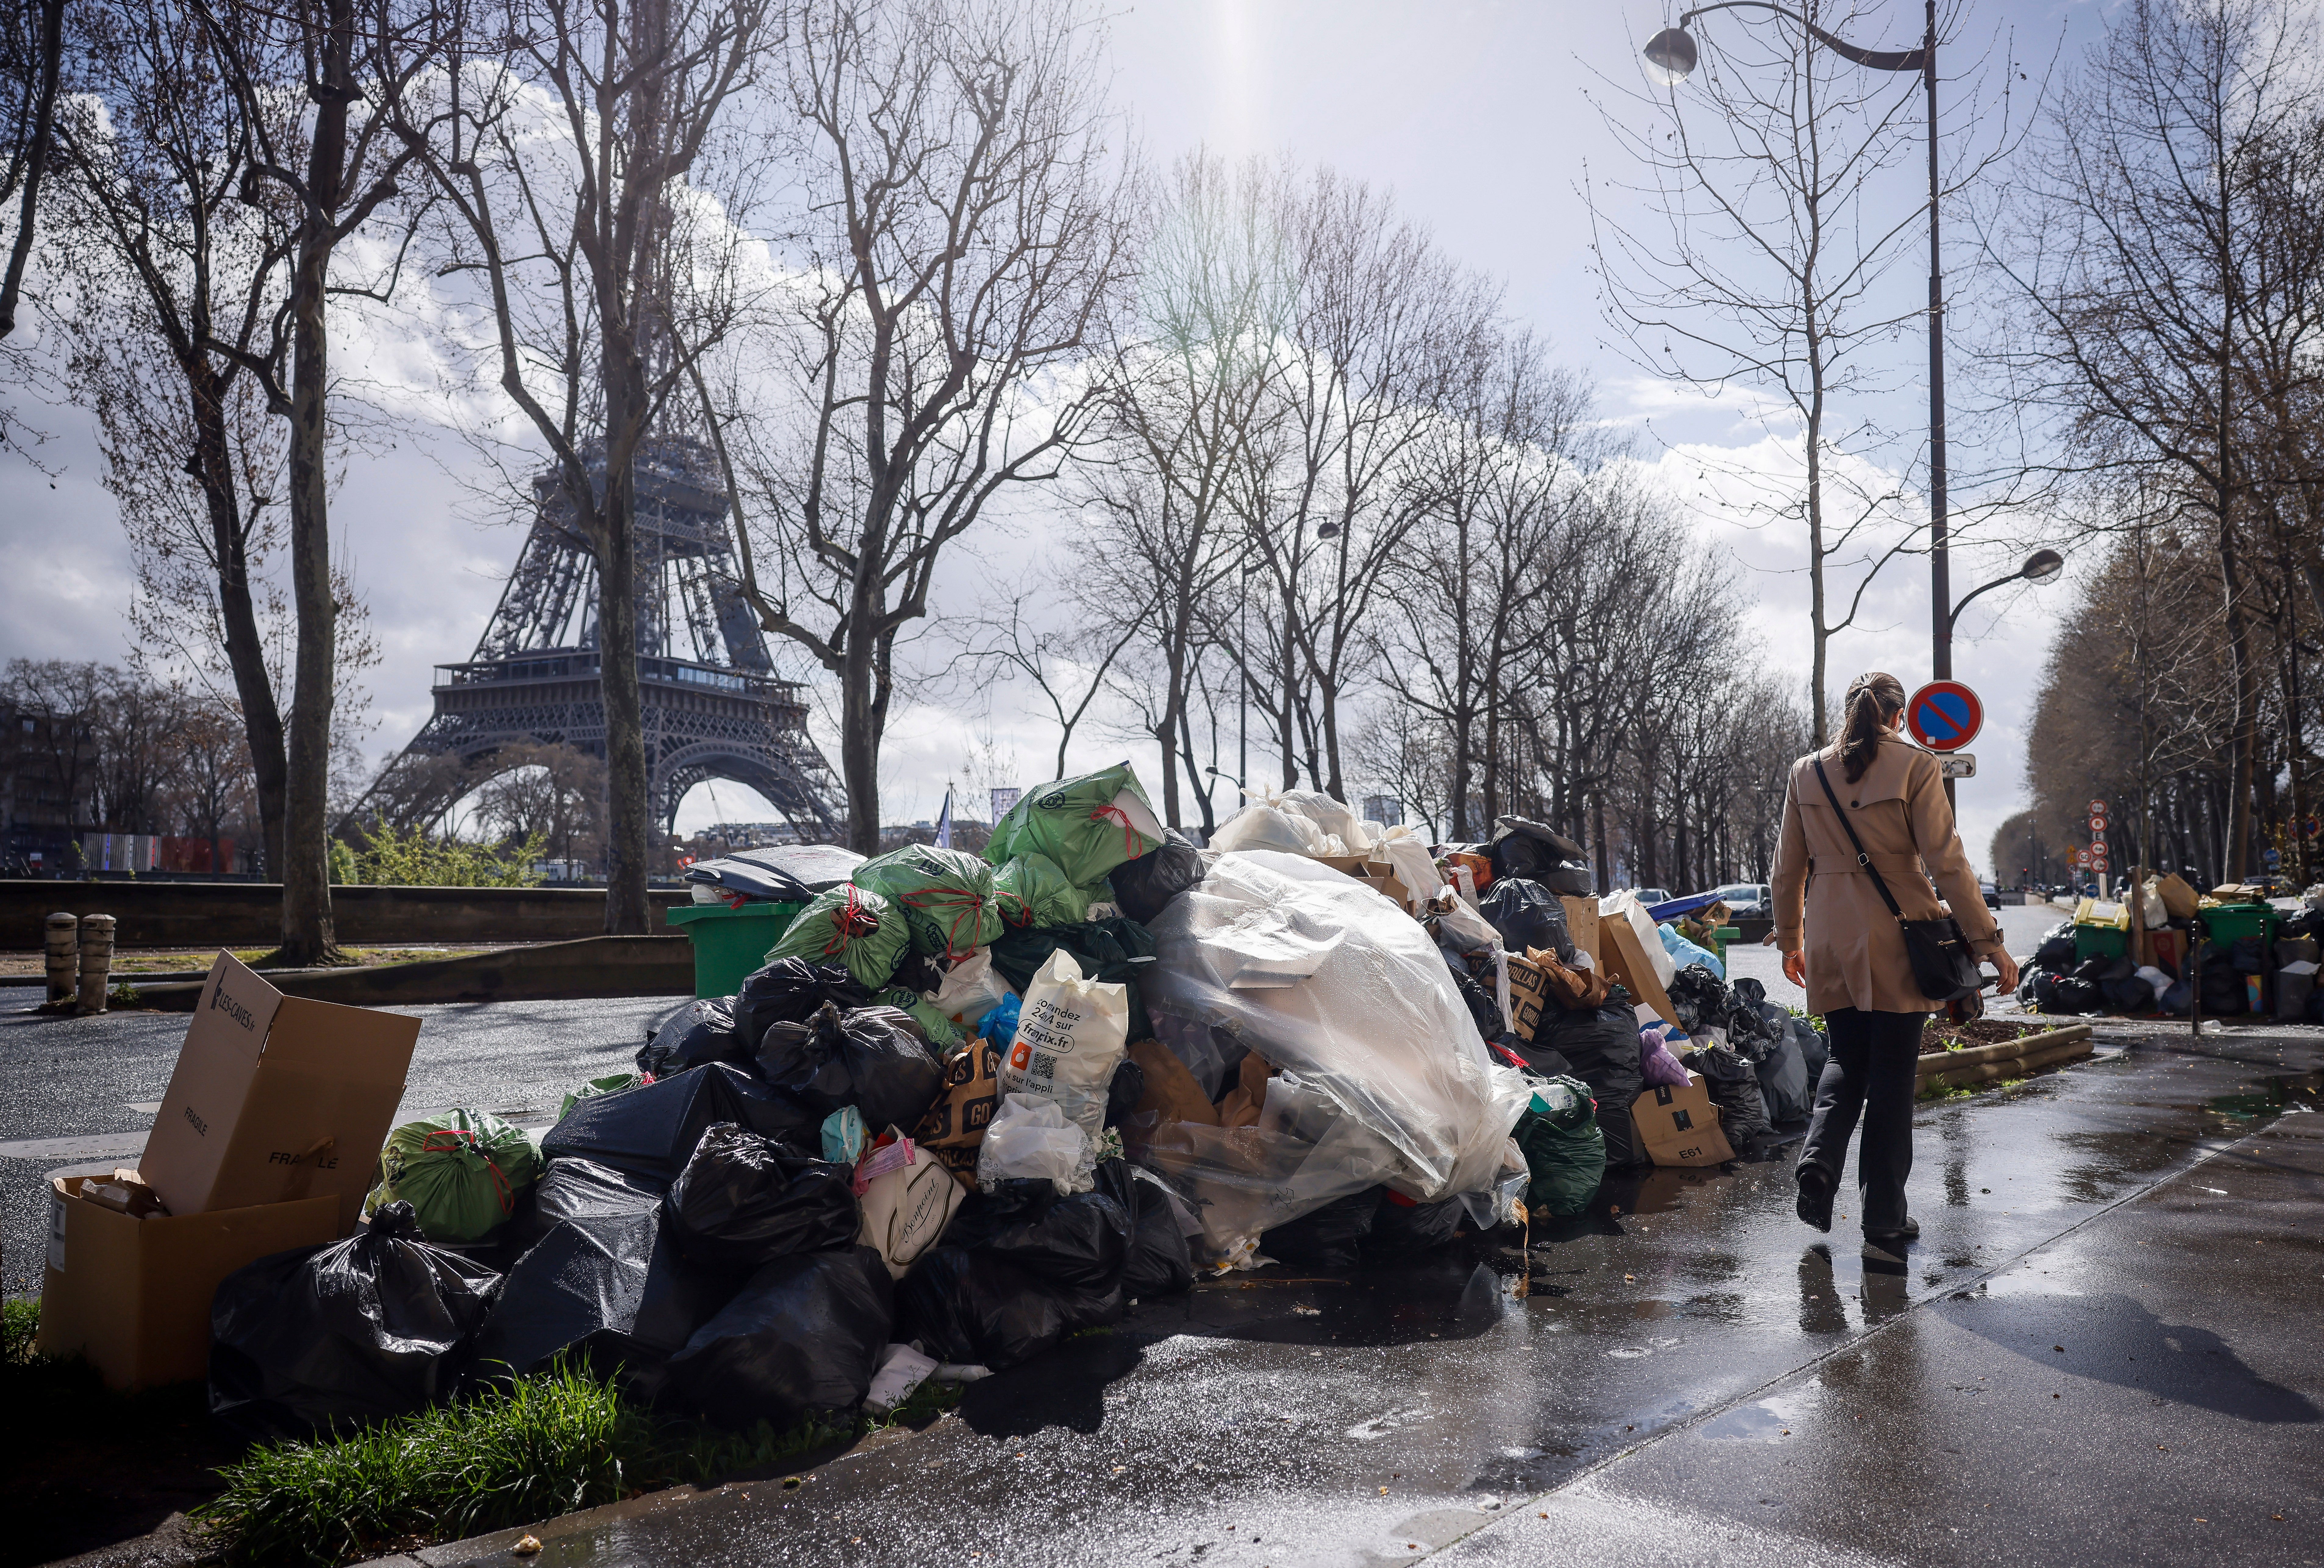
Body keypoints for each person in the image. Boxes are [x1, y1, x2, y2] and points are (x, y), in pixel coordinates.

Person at [1770, 672, 2019, 1269]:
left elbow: (1786, 869)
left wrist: (1790, 938)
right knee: (1890, 1076)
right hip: (1898, 934)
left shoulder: (1807, 771)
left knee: (1844, 1058)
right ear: (1898, 716)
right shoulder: (1915, 763)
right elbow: (1948, 864)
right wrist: (1989, 944)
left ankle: (1819, 1159)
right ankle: (1883, 1216)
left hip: (1829, 930)